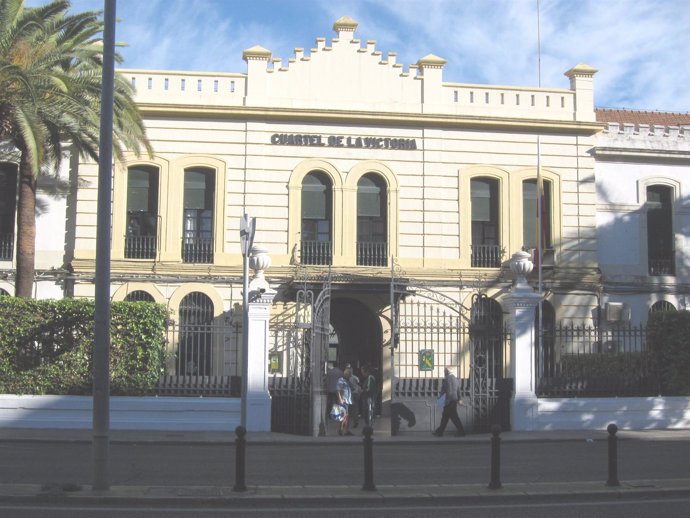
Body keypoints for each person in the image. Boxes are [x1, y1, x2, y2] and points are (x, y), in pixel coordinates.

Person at [433, 367, 466, 437]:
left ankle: (461, 431)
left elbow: (447, 390)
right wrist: (459, 398)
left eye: (444, 371)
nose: (444, 373)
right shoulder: (455, 378)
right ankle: (439, 431)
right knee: (445, 417)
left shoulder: (448, 379)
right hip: (453, 400)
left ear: (447, 371)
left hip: (449, 401)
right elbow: (458, 390)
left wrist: (444, 400)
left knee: (454, 418)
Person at [335, 367, 353, 436]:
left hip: (348, 401)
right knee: (343, 416)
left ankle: (346, 430)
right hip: (343, 401)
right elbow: (337, 390)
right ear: (346, 374)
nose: (351, 376)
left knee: (346, 416)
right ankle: (341, 430)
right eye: (350, 374)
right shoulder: (341, 380)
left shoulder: (347, 381)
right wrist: (340, 399)